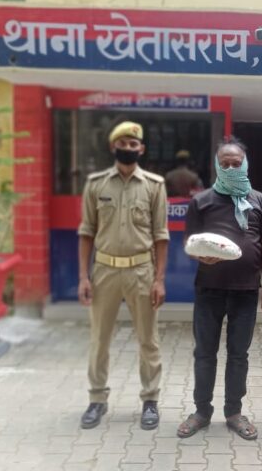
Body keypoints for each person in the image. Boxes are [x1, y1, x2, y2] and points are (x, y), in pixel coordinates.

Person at [176, 136, 262, 441]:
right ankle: (201, 411)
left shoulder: (259, 201)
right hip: (209, 289)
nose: (232, 168)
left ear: (245, 164)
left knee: (238, 354)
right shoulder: (201, 201)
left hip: (246, 291)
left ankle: (234, 412)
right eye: (226, 164)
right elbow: (189, 242)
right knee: (204, 353)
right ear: (216, 166)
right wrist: (199, 255)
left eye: (237, 163)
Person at [77, 121, 170, 431]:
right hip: (104, 271)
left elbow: (161, 236)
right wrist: (83, 277)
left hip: (142, 270)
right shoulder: (96, 184)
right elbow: (86, 232)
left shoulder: (154, 185)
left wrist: (159, 279)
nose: (128, 148)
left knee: (148, 339)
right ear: (113, 147)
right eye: (123, 144)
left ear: (141, 149)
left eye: (133, 144)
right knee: (99, 339)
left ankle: (150, 400)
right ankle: (97, 399)